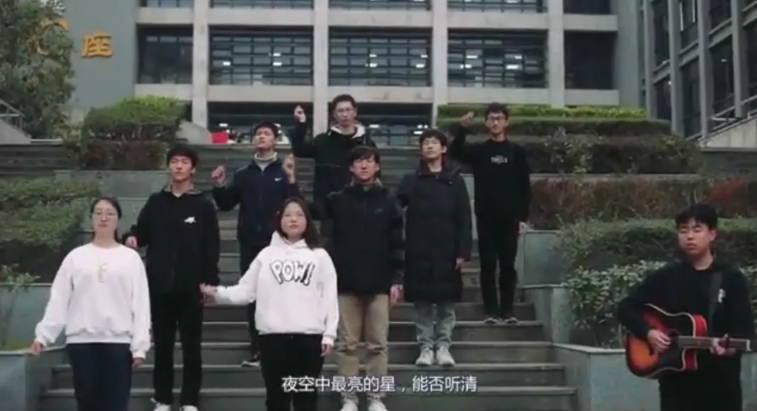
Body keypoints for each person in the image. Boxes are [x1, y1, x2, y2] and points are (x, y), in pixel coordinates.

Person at [199, 197, 338, 411]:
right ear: (279, 220)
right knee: (276, 399)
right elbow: (246, 291)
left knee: (306, 399)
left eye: (299, 215)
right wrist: (217, 294)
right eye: (288, 215)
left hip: (309, 339)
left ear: (308, 221)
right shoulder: (266, 255)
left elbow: (329, 297)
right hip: (272, 338)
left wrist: (329, 334)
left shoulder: (320, 256)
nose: (293, 219)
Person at [617, 204, 754, 411]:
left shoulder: (730, 278)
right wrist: (648, 332)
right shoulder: (667, 276)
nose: (689, 236)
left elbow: (745, 330)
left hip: (720, 388)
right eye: (683, 230)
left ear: (712, 234)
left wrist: (730, 348)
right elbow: (626, 307)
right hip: (675, 387)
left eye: (697, 229)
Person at [123, 144, 220, 411]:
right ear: (168, 166)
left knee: (192, 347)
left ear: (193, 169)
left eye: (184, 162)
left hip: (191, 288)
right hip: (159, 286)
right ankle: (163, 398)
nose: (178, 166)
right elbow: (141, 232)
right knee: (163, 346)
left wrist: (210, 281)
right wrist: (131, 237)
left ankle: (190, 400)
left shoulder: (203, 205)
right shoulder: (156, 202)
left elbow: (212, 246)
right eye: (174, 161)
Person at [31, 197, 151, 411]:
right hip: (82, 343)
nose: (104, 218)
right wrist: (44, 335)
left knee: (116, 403)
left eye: (110, 213)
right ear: (92, 219)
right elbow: (59, 298)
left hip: (118, 344)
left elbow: (141, 304)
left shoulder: (130, 259)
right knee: (87, 403)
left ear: (118, 220)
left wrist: (140, 346)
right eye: (98, 212)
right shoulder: (76, 257)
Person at [316, 145, 403, 411]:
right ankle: (349, 398)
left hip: (380, 283)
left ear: (377, 166)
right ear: (351, 167)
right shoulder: (337, 200)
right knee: (347, 345)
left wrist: (397, 279)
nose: (364, 166)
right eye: (358, 161)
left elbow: (397, 243)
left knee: (378, 344)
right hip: (345, 283)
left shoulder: (389, 201)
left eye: (369, 161)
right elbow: (325, 237)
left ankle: (376, 398)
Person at [210, 120, 300, 366]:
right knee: (254, 296)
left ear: (275, 140)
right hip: (250, 241)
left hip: (279, 243)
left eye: (266, 133)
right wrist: (219, 185)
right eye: (258, 133)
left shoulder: (283, 171)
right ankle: (258, 349)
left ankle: (285, 349)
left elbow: (297, 205)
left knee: (283, 294)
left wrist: (292, 179)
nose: (261, 136)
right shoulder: (243, 174)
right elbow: (226, 204)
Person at [448, 102, 531, 324]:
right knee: (487, 264)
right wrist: (462, 129)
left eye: (499, 118)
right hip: (486, 217)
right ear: (486, 122)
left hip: (510, 218)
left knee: (507, 265)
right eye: (491, 119)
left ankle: (508, 311)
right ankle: (491, 311)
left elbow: (524, 186)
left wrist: (523, 217)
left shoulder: (516, 152)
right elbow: (456, 152)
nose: (495, 122)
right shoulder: (480, 151)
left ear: (506, 122)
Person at [396, 129, 472, 367]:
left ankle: (444, 346)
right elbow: (396, 207)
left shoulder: (455, 180)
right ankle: (426, 347)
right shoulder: (411, 180)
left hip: (448, 250)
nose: (429, 146)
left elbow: (464, 218)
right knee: (422, 304)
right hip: (418, 249)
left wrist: (463, 251)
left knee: (446, 304)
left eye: (434, 142)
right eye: (425, 143)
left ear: (444, 148)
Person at [289, 94, 376, 221]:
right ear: (334, 114)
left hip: (360, 209)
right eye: (340, 111)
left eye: (348, 110)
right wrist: (301, 123)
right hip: (329, 211)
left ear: (355, 112)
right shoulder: (323, 141)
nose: (344, 114)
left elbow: (376, 175)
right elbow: (299, 150)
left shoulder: (367, 144)